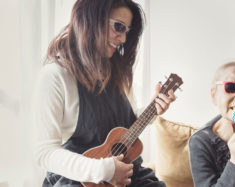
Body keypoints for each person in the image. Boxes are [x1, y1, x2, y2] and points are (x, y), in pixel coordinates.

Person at [33, 0, 175, 186]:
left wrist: (152, 111)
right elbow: (44, 153)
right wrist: (103, 171)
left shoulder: (119, 73)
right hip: (80, 181)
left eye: (127, 31)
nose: (123, 40)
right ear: (91, 19)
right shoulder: (55, 76)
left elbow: (125, 129)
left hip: (130, 174)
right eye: (118, 27)